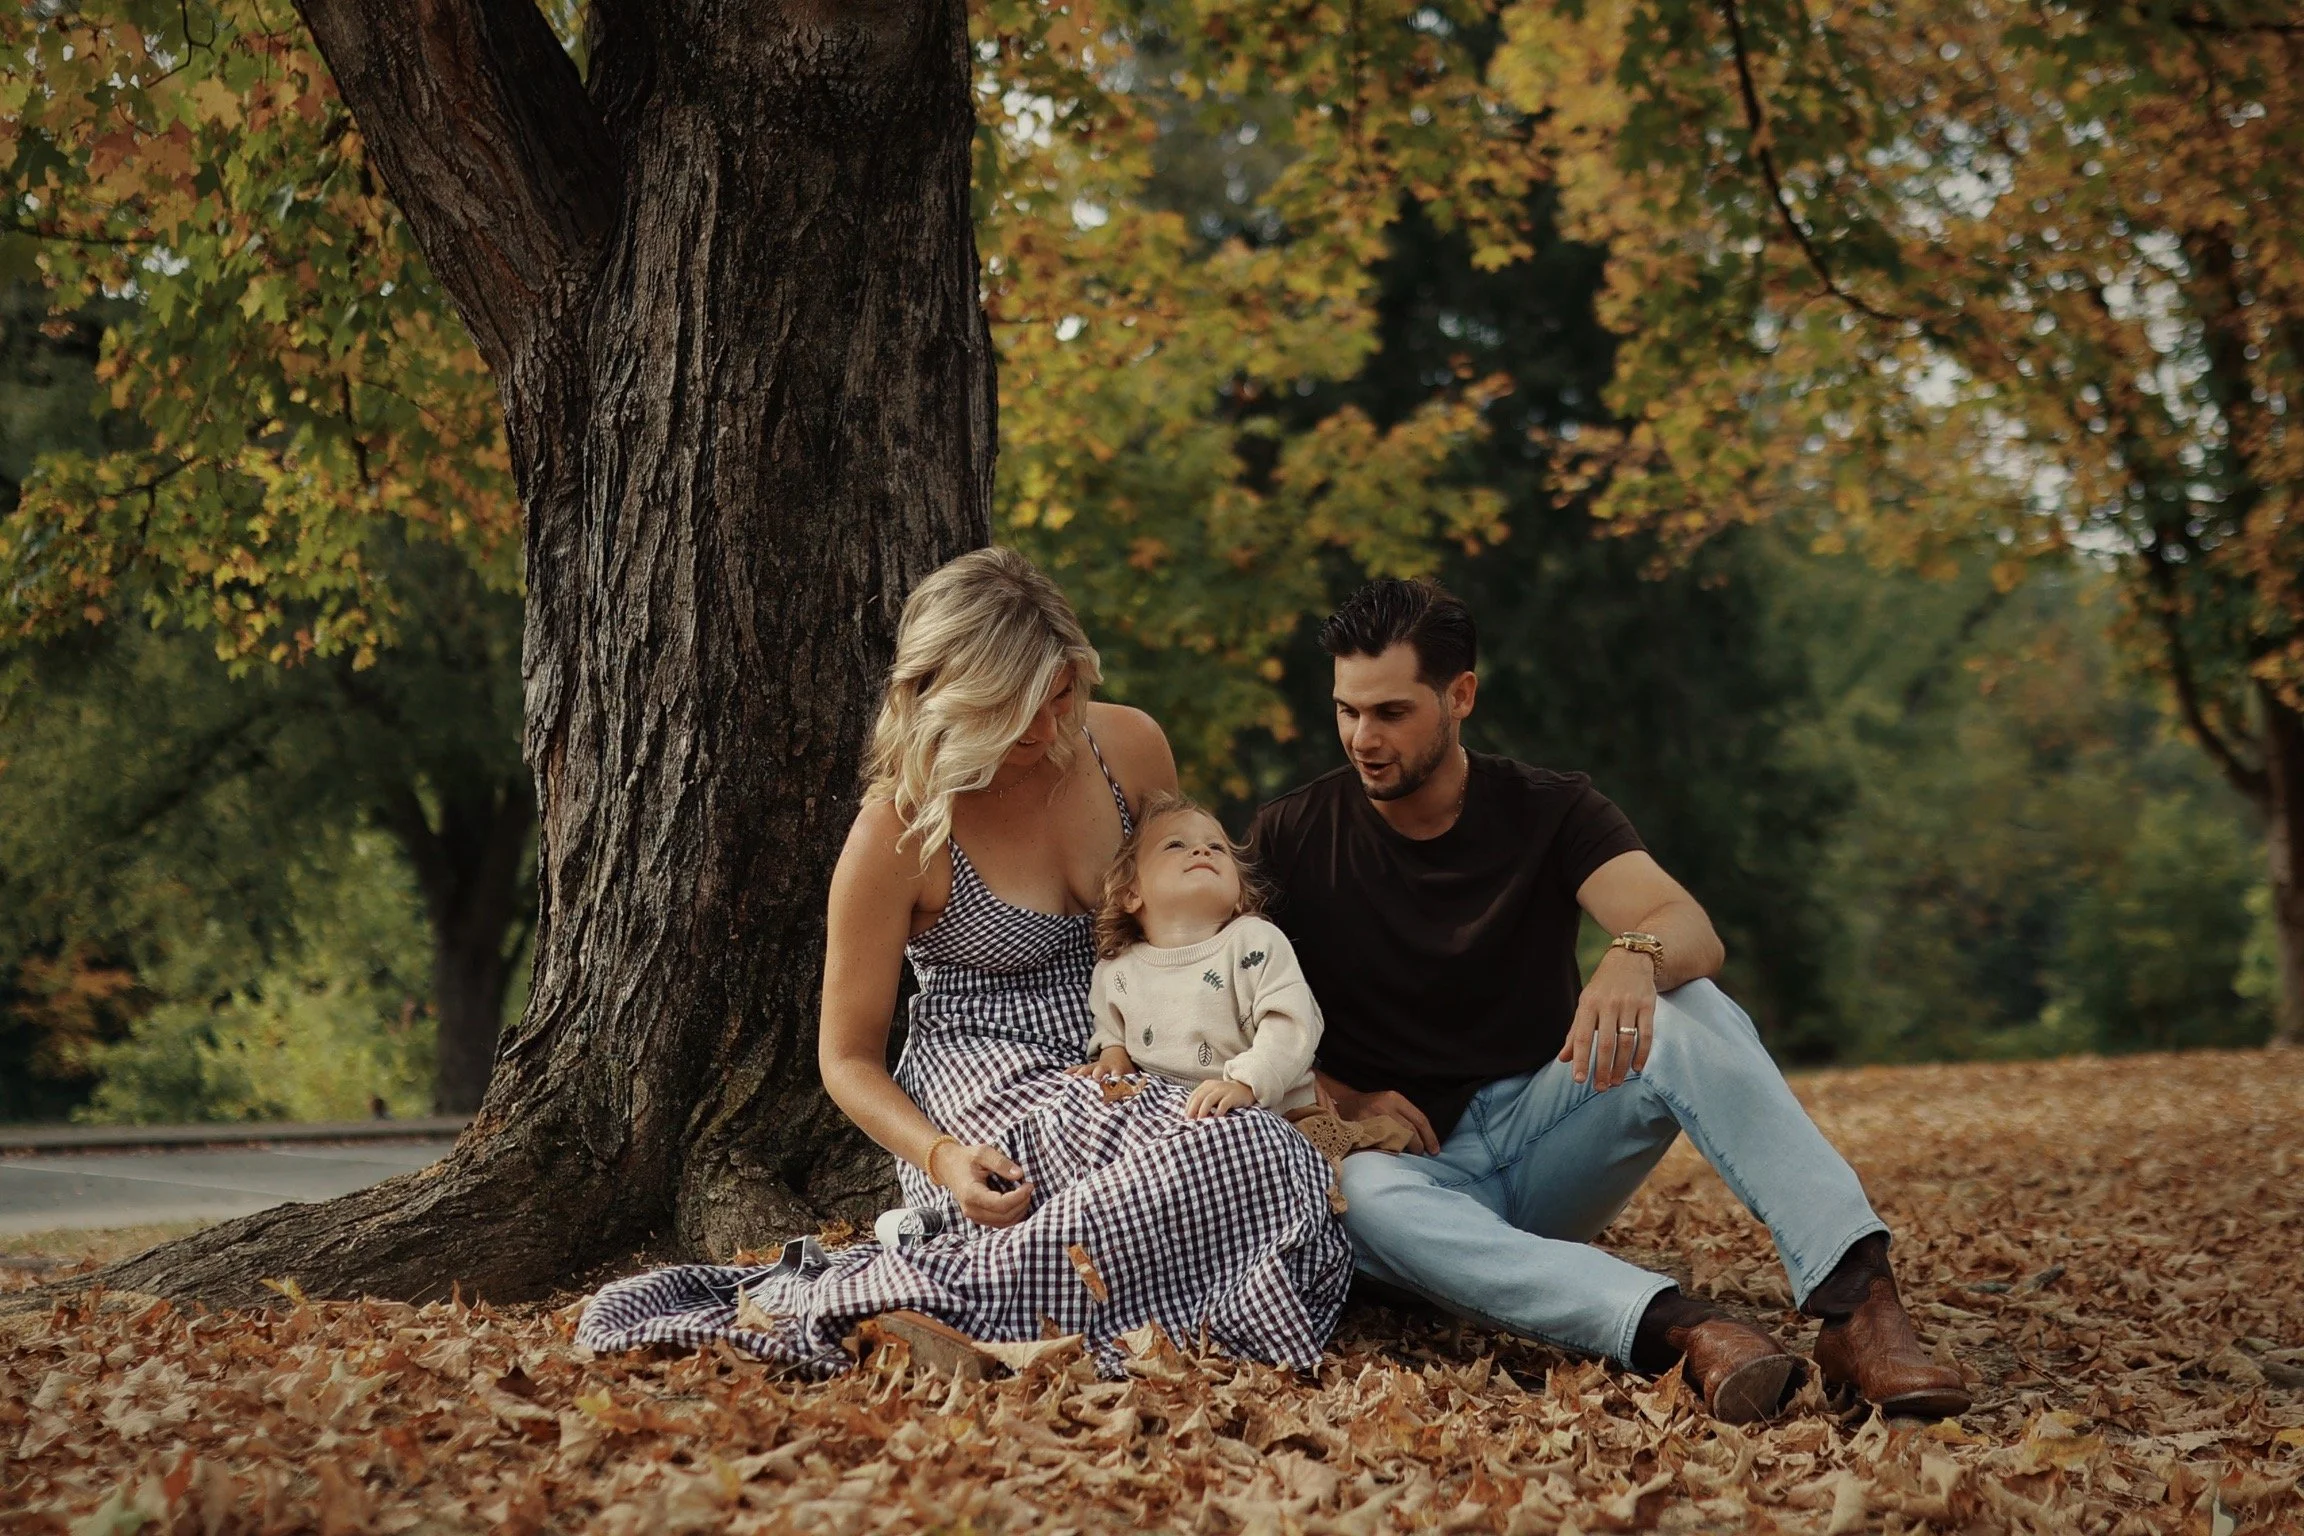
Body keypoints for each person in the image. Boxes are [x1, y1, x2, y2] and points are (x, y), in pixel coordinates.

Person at [578, 549, 1349, 1375]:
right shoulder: (899, 833)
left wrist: (1289, 1069)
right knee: (1219, 1160)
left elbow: (1200, 927)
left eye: (1061, 700)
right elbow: (845, 1059)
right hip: (990, 1079)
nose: (1053, 732)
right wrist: (942, 1158)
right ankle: (963, 1313)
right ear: (956, 700)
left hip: (1131, 1056)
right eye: (1023, 713)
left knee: (1259, 1150)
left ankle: (954, 1306)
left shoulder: (1128, 747)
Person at [1248, 577, 1971, 1423]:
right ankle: (1683, 1330)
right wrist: (1345, 1097)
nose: (1362, 738)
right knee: (1360, 1198)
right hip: (1406, 1170)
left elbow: (1688, 926)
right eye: (1346, 711)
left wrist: (1633, 954)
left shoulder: (1550, 809)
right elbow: (1224, 1008)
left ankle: (1858, 1306)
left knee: (1691, 1006)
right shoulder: (1291, 836)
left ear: (1461, 695)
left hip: (1544, 1134)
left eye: (1391, 713)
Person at [1078, 793, 1415, 1207]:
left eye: (1216, 846)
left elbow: (1292, 1022)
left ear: (1239, 893)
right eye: (1175, 845)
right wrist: (1113, 1052)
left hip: (1276, 1117)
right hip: (1179, 1129)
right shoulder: (1118, 968)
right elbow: (1111, 1022)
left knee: (1357, 1195)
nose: (1201, 849)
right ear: (1131, 893)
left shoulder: (1253, 941)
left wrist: (1246, 1082)